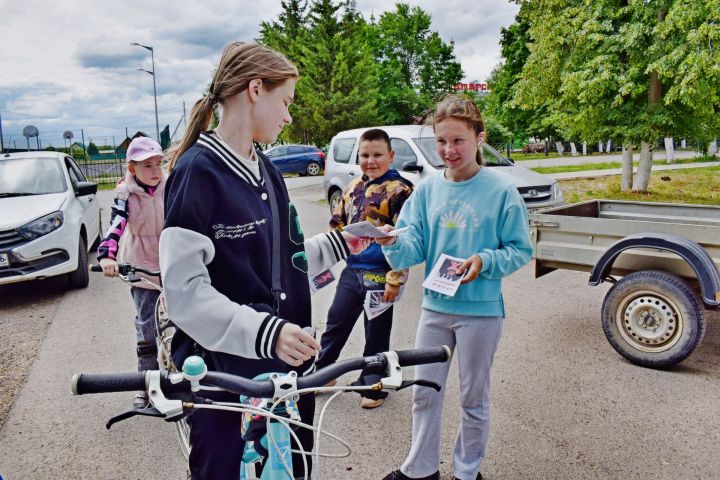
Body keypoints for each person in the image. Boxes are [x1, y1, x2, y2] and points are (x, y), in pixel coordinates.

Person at [159, 41, 369, 480]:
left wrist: (344, 241)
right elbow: (184, 294)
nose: (289, 116)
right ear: (256, 89)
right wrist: (268, 333)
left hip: (285, 374)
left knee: (292, 469)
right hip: (226, 378)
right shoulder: (197, 171)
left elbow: (285, 262)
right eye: (286, 101)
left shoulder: (268, 169)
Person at [376, 95, 533, 480]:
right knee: (424, 391)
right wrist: (392, 242)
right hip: (435, 307)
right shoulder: (427, 190)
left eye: (458, 140)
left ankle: (467, 472)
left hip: (481, 312)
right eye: (441, 141)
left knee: (473, 398)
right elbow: (414, 245)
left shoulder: (501, 191)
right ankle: (421, 470)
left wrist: (484, 261)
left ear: (480, 137)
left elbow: (519, 249)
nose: (448, 150)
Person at [315, 128, 413, 409]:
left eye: (378, 155)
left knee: (376, 331)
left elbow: (407, 239)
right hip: (351, 269)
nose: (371, 160)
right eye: (365, 155)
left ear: (390, 156)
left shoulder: (401, 191)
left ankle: (373, 383)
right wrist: (325, 263)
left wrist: (396, 278)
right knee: (336, 321)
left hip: (381, 272)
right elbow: (336, 225)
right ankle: (323, 373)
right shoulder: (352, 187)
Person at [96, 136, 166, 409]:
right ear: (132, 168)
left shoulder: (170, 185)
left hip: (171, 264)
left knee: (187, 324)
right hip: (142, 267)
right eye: (147, 165)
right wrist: (107, 256)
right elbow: (116, 224)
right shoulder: (125, 192)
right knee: (146, 332)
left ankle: (184, 379)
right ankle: (144, 387)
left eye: (158, 164)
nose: (155, 171)